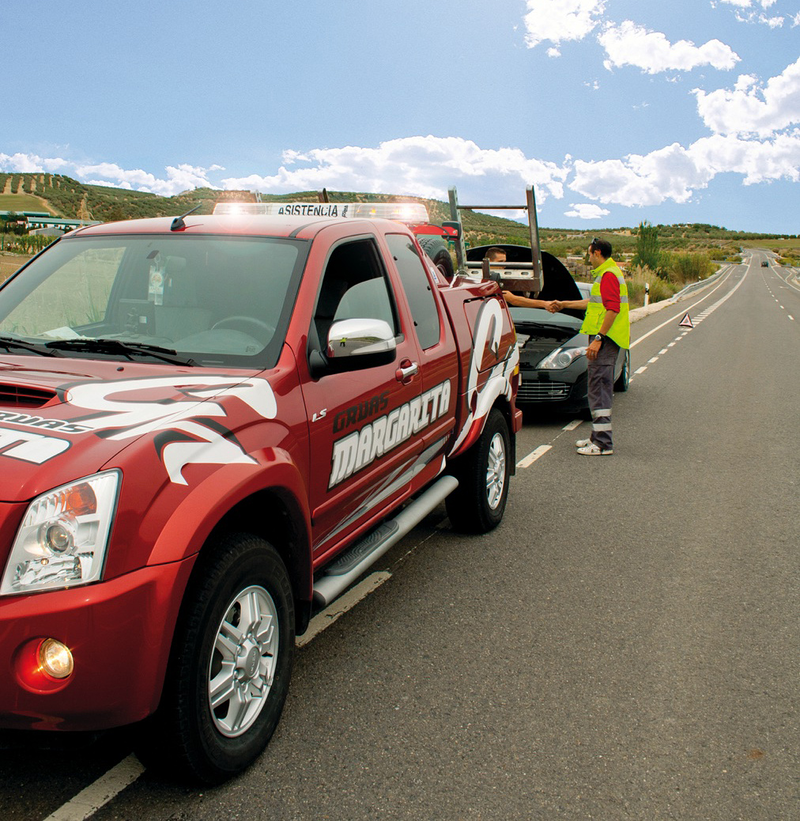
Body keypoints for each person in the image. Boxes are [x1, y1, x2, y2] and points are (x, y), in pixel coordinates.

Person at [550, 237, 630, 456]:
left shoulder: (609, 275)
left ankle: (603, 443)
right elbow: (593, 303)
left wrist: (598, 338)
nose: (588, 257)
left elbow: (612, 309)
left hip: (606, 341)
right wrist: (564, 304)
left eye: (589, 253)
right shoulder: (606, 274)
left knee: (600, 389)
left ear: (597, 253)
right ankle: (596, 436)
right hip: (605, 339)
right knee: (595, 388)